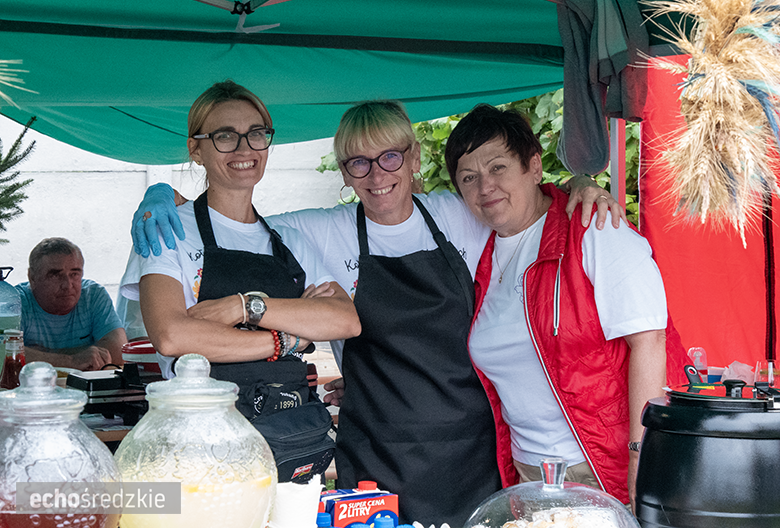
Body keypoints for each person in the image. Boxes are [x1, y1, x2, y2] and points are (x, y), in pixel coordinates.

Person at [131, 100, 622, 526]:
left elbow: (524, 204)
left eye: (390, 157)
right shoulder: (319, 232)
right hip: (375, 450)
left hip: (473, 449)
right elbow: (234, 218)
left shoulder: (459, 214)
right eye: (359, 163)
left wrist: (579, 186)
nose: (377, 174)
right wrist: (163, 196)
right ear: (345, 173)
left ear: (414, 157)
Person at [444, 104, 689, 509]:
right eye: (468, 177)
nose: (485, 186)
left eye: (498, 167)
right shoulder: (478, 254)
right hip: (528, 474)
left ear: (533, 167)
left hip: (602, 468)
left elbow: (650, 339)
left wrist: (641, 454)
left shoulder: (594, 227)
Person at [119, 80, 361, 482]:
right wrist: (287, 340)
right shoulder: (167, 229)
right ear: (196, 149)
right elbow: (173, 336)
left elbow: (344, 319)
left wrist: (244, 306)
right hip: (200, 450)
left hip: (289, 442)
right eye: (225, 136)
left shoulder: (290, 240)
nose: (244, 148)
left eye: (256, 134)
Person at [18, 237, 127, 370]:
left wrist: (36, 354)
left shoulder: (92, 295)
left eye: (74, 274)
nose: (67, 285)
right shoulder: (15, 302)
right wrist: (73, 360)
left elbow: (119, 351)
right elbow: (5, 356)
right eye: (55, 275)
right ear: (32, 277)